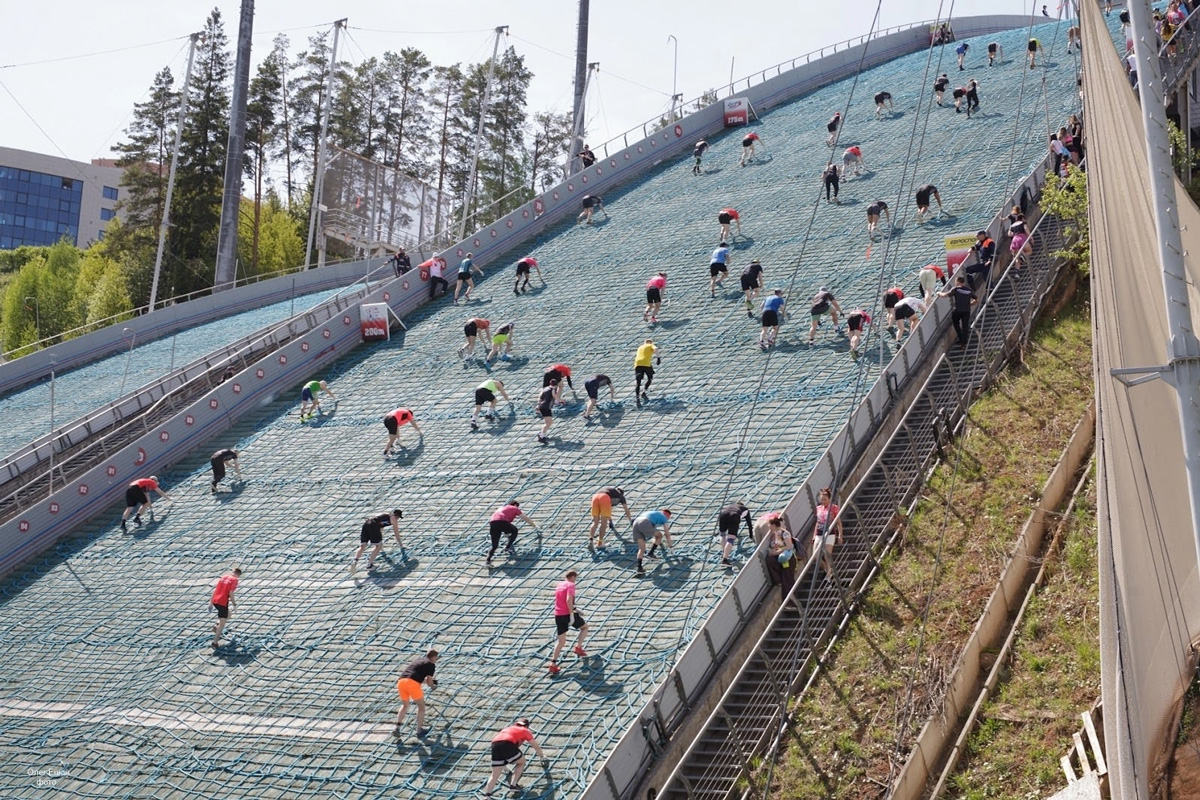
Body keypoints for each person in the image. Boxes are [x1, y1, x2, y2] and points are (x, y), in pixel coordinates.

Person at [482, 718, 545, 796]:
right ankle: (513, 785)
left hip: (494, 745)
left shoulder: (508, 729)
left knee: (494, 775)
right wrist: (542, 756)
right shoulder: (525, 730)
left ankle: (487, 796)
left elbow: (502, 745)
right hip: (507, 743)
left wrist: (504, 766)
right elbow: (535, 746)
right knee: (521, 762)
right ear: (526, 726)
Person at [548, 571, 589, 675]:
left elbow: (560, 600)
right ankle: (578, 647)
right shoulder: (571, 585)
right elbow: (568, 600)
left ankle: (553, 663)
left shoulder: (559, 585)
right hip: (567, 613)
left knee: (561, 641)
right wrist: (571, 613)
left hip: (558, 614)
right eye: (575, 578)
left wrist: (575, 608)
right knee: (584, 627)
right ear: (573, 577)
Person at [394, 650, 438, 739]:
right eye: (437, 657)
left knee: (405, 705)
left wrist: (430, 682)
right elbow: (429, 682)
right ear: (433, 657)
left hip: (401, 682)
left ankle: (397, 727)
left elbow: (414, 677)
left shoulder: (419, 660)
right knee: (421, 707)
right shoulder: (431, 664)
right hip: (412, 684)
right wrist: (433, 686)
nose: (437, 659)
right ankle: (419, 730)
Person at [486, 500, 539, 566]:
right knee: (515, 531)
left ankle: (488, 561)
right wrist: (533, 525)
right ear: (515, 505)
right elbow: (524, 518)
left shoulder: (502, 508)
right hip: (502, 522)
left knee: (494, 545)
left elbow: (499, 520)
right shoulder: (514, 508)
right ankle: (507, 547)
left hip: (493, 523)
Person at [353, 509, 404, 573]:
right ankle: (369, 565)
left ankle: (354, 561)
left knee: (363, 546)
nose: (397, 519)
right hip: (374, 526)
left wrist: (381, 545)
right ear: (397, 516)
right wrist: (401, 545)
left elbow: (380, 529)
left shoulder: (384, 515)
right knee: (378, 547)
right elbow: (396, 533)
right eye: (398, 517)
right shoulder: (394, 519)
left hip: (366, 523)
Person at [764, 516, 797, 603]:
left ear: (774, 525)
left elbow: (789, 546)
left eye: (769, 525)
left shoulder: (784, 533)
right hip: (779, 559)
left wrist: (776, 552)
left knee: (788, 580)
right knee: (770, 561)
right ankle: (778, 581)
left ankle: (790, 602)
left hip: (787, 558)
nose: (768, 527)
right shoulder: (774, 535)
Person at [940, 275, 978, 348]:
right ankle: (964, 343)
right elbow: (976, 299)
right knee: (965, 327)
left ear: (957, 282)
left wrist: (939, 293)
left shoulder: (956, 289)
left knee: (956, 323)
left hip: (957, 310)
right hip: (966, 310)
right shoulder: (969, 290)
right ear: (963, 282)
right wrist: (970, 304)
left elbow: (944, 295)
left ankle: (961, 338)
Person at [812, 487, 843, 580]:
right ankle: (827, 570)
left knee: (827, 555)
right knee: (815, 556)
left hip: (830, 533)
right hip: (819, 533)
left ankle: (828, 578)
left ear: (829, 499)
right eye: (821, 499)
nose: (823, 501)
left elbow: (838, 522)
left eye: (825, 499)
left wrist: (840, 535)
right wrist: (814, 535)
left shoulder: (834, 508)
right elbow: (817, 522)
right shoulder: (818, 508)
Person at [632, 508, 672, 575]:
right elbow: (667, 534)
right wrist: (671, 546)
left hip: (635, 523)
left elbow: (652, 528)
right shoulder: (664, 517)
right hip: (645, 522)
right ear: (667, 516)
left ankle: (639, 568)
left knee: (641, 548)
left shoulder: (655, 514)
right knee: (659, 535)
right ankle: (651, 553)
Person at [210, 567, 242, 649]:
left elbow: (215, 590)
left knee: (229, 614)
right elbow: (231, 592)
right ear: (238, 575)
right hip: (222, 602)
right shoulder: (235, 580)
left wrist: (211, 603)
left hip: (216, 601)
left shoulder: (224, 577)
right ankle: (215, 642)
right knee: (222, 624)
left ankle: (216, 626)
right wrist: (234, 604)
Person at [717, 501, 753, 565]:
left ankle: (724, 552)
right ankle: (725, 559)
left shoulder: (731, 505)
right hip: (734, 516)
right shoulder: (745, 509)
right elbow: (749, 523)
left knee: (722, 534)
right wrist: (751, 535)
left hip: (723, 514)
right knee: (731, 538)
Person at [535, 379, 561, 444]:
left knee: (548, 422)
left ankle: (542, 434)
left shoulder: (545, 389)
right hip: (546, 407)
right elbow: (555, 396)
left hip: (542, 406)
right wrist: (560, 401)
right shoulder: (553, 389)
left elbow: (540, 397)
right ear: (556, 385)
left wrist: (538, 405)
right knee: (548, 423)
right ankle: (541, 436)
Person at [634, 339, 659, 404]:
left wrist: (651, 369)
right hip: (646, 364)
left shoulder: (640, 347)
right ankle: (644, 392)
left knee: (638, 382)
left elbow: (643, 356)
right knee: (650, 378)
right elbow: (656, 348)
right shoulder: (650, 345)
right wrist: (658, 358)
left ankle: (637, 398)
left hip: (638, 364)